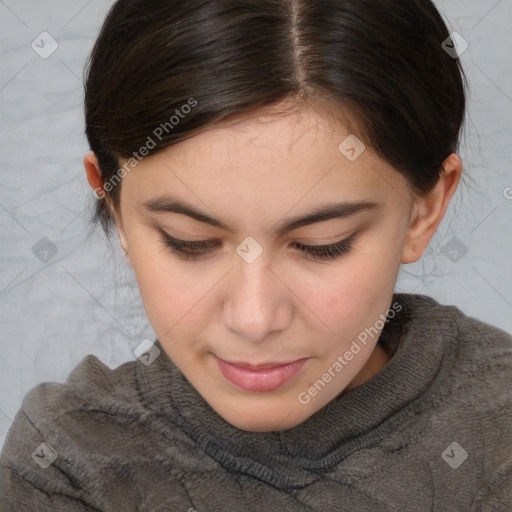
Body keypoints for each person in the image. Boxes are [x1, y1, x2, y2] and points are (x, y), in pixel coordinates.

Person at [1, 0, 511, 510]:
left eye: (322, 244)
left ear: (425, 209)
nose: (254, 320)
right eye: (189, 241)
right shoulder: (66, 464)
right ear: (112, 204)